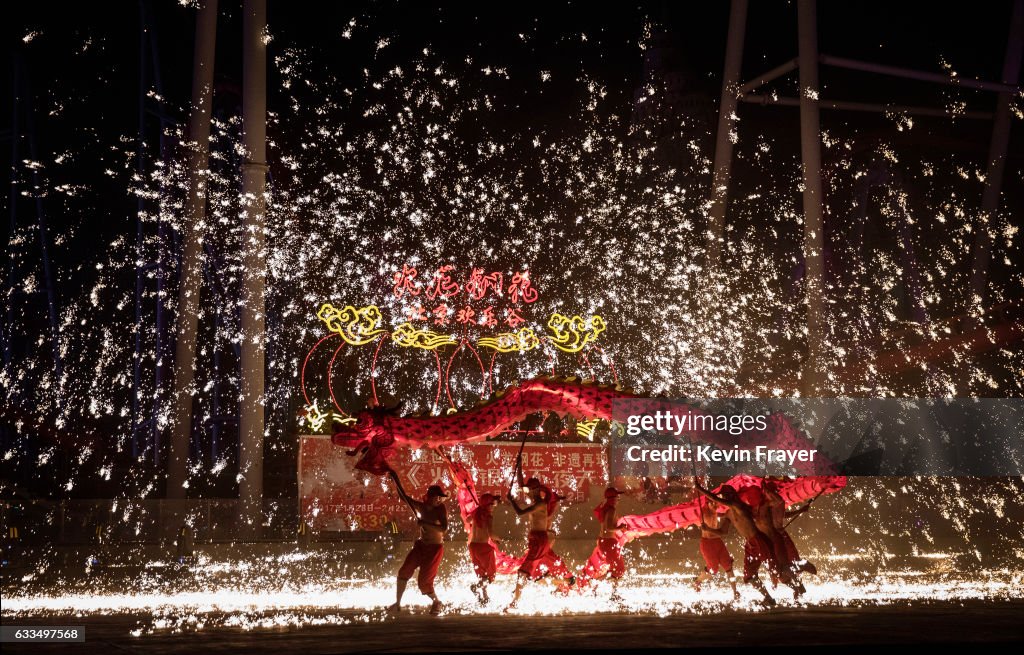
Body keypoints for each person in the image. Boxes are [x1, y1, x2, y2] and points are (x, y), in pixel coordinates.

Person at [695, 483, 801, 606]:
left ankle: (797, 588)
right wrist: (708, 529)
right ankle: (768, 597)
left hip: (759, 541)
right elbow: (723, 532)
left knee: (775, 571)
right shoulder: (729, 513)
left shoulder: (739, 506)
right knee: (749, 575)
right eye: (725, 495)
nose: (725, 498)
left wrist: (700, 489)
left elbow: (718, 500)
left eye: (727, 495)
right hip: (750, 545)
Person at [505, 477, 574, 610]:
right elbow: (522, 485)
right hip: (537, 540)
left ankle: (514, 602)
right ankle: (567, 581)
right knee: (536, 571)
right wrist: (519, 465)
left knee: (523, 572)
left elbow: (520, 513)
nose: (527, 492)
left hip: (539, 541)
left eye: (529, 490)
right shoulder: (535, 500)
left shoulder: (540, 504)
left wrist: (512, 500)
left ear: (535, 490)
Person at [387, 472, 448, 616]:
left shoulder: (441, 510)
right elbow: (404, 497)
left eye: (440, 497)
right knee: (404, 572)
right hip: (421, 546)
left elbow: (443, 529)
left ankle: (436, 602)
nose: (438, 500)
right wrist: (395, 478)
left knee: (424, 582)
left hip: (434, 549)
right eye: (435, 497)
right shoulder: (421, 507)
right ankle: (397, 603)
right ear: (429, 497)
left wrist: (425, 523)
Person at [762, 480, 816, 575]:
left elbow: (783, 514)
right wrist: (766, 488)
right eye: (773, 491)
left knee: (791, 554)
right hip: (774, 534)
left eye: (775, 491)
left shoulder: (775, 503)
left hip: (779, 533)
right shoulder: (769, 504)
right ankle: (794, 572)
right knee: (784, 557)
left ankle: (796, 573)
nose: (776, 492)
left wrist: (800, 511)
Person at [693, 495, 740, 600]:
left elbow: (717, 514)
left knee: (728, 566)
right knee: (713, 569)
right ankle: (698, 581)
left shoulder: (713, 510)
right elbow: (704, 520)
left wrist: (725, 514)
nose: (716, 505)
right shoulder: (704, 513)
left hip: (718, 542)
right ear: (708, 503)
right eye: (714, 503)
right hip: (707, 544)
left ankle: (735, 592)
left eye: (717, 503)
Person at [583, 487, 627, 599]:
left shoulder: (607, 508)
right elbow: (608, 528)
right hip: (608, 542)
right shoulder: (611, 510)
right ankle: (604, 589)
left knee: (614, 569)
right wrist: (620, 527)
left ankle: (606, 590)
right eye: (617, 497)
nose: (618, 499)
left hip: (605, 541)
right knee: (619, 569)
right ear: (613, 498)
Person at [468, 493, 501, 605]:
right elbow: (491, 533)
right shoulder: (488, 516)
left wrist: (477, 511)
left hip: (473, 547)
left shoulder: (476, 512)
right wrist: (499, 538)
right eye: (491, 503)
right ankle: (476, 587)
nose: (493, 506)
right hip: (483, 547)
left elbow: (467, 520)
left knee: (482, 573)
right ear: (486, 505)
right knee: (491, 575)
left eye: (494, 503)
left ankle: (485, 596)